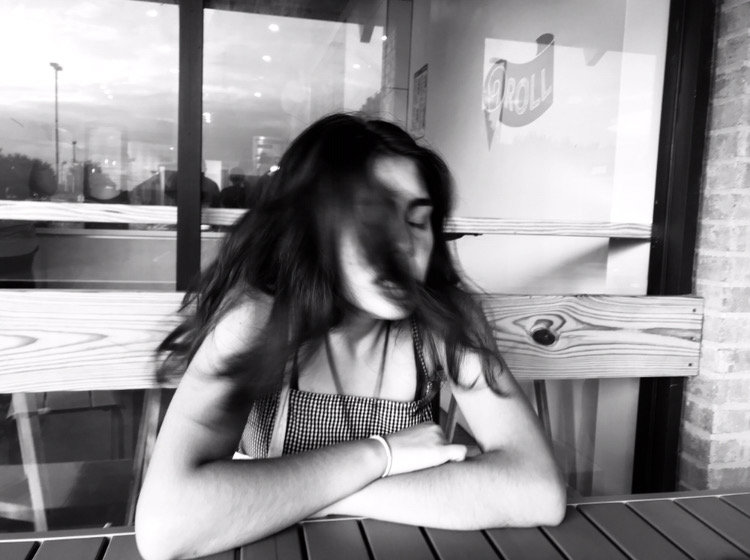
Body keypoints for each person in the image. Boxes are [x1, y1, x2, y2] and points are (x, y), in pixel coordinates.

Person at [135, 113, 565, 560]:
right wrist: (381, 456)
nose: (405, 245)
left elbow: (538, 490)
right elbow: (165, 526)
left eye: (418, 221)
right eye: (374, 219)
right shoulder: (258, 322)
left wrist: (302, 497)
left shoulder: (444, 322)